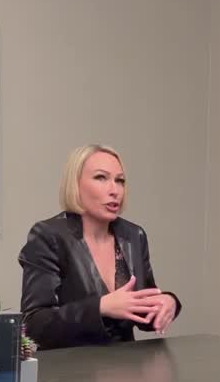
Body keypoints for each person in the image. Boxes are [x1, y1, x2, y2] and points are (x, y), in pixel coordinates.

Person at [19, 144, 181, 350]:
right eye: (101, 178)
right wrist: (100, 307)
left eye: (120, 181)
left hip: (126, 365)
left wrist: (169, 302)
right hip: (69, 367)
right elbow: (34, 325)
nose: (115, 190)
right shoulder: (48, 236)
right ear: (75, 185)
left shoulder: (134, 235)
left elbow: (143, 312)